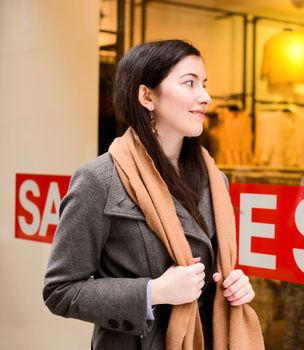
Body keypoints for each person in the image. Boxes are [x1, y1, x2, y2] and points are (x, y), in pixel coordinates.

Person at [43, 40, 264, 350]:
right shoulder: (99, 180)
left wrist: (235, 286)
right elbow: (60, 290)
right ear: (146, 96)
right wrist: (153, 292)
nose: (206, 97)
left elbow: (210, 273)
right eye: (189, 83)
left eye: (204, 84)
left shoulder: (215, 179)